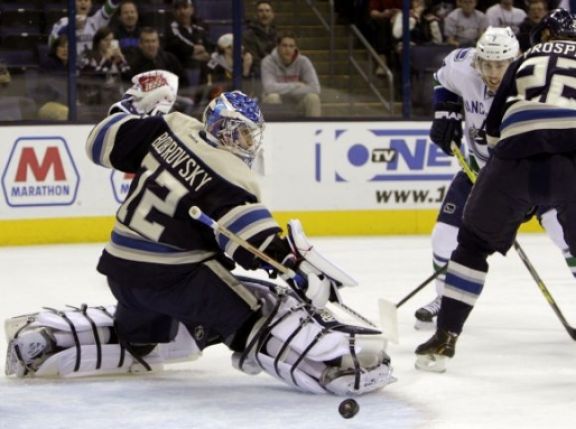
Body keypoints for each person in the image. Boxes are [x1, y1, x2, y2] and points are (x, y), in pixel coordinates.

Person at [4, 74, 392, 396]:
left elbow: (102, 141)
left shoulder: (169, 125)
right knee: (261, 309)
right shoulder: (229, 173)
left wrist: (131, 105)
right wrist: (291, 262)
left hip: (121, 271)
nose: (247, 145)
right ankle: (331, 365)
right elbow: (247, 237)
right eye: (241, 135)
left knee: (141, 339)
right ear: (224, 129)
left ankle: (52, 341)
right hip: (174, 277)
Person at [414, 9, 576, 379]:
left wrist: (511, 185)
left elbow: (494, 131)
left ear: (542, 36)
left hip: (509, 161)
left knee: (472, 245)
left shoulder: (525, 61)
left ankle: (443, 340)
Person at [414, 26, 576, 334]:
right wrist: (445, 110)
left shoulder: (538, 83)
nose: (492, 72)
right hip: (481, 170)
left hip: (536, 173)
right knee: (444, 236)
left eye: (500, 65)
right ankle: (444, 299)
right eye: (486, 64)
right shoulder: (464, 66)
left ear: (516, 61)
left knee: (567, 237)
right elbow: (441, 78)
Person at [261, 32, 321, 117]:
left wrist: (281, 89)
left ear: (295, 48)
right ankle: (275, 129)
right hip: (277, 103)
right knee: (272, 97)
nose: (288, 49)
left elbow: (316, 88)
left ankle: (314, 128)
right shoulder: (267, 62)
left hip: (296, 103)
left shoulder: (303, 61)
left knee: (313, 98)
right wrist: (296, 85)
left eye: (291, 46)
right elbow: (269, 88)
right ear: (278, 47)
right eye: (284, 46)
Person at [49, 0, 121, 62]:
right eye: (79, 0)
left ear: (91, 4)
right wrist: (71, 27)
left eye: (86, 0)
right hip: (71, 69)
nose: (83, 2)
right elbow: (51, 42)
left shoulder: (96, 20)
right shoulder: (64, 22)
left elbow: (111, 6)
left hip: (93, 69)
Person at [164, 0, 212, 75]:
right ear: (174, 12)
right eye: (178, 9)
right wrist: (194, 49)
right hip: (179, 71)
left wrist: (207, 54)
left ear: (192, 9)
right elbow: (178, 46)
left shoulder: (200, 27)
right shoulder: (170, 28)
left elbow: (208, 46)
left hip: (201, 71)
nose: (182, 11)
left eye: (185, 7)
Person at [243, 1, 278, 77]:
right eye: (261, 11)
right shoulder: (248, 35)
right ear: (256, 15)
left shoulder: (276, 35)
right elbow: (254, 59)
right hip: (257, 73)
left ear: (272, 15)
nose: (264, 14)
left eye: (267, 11)